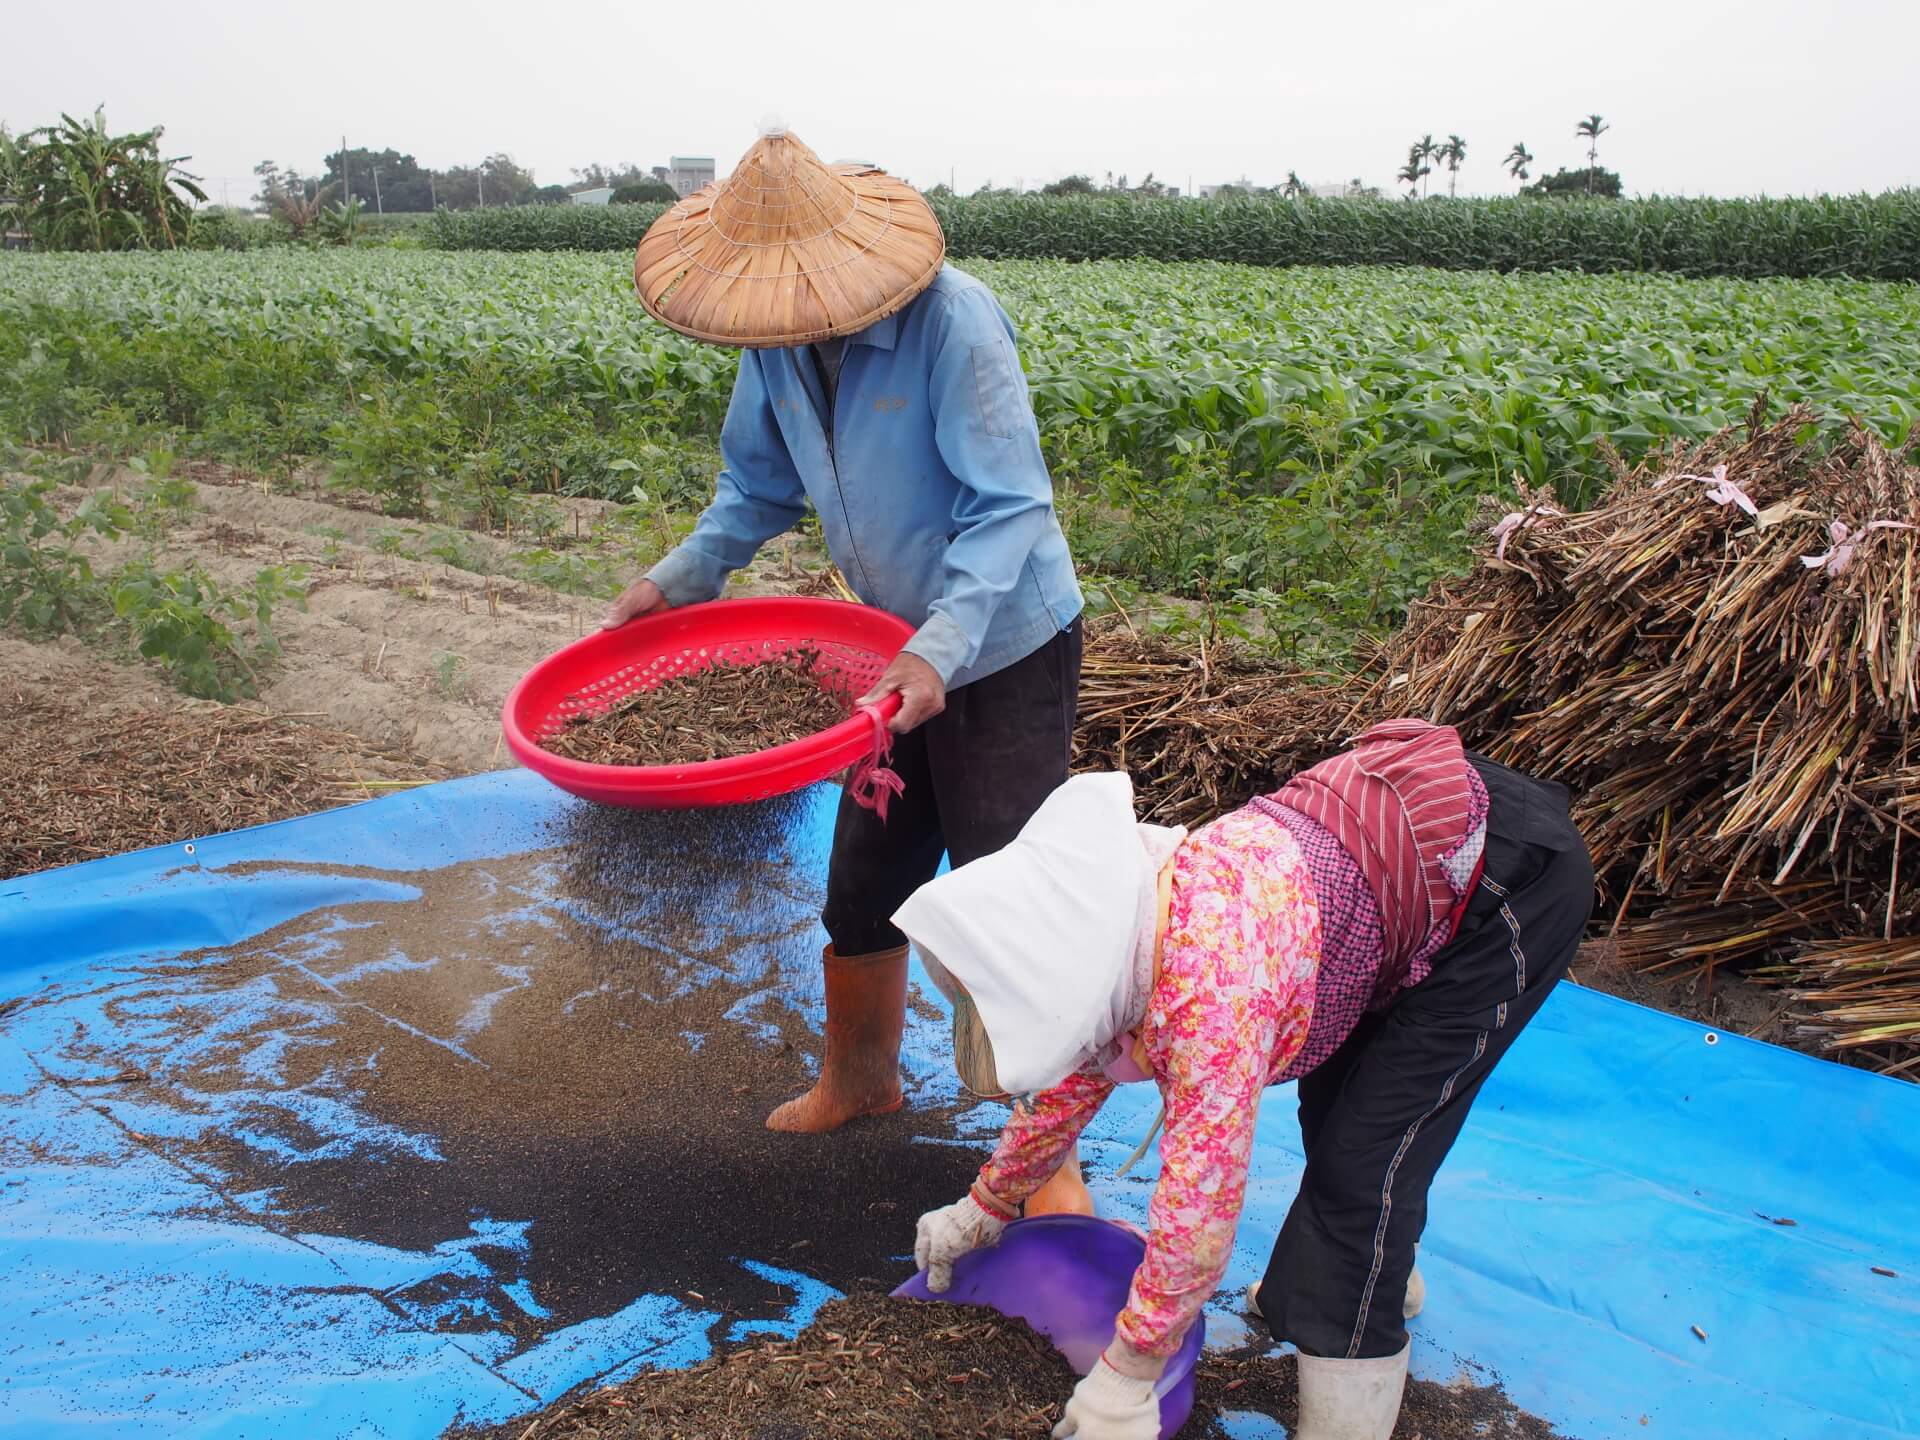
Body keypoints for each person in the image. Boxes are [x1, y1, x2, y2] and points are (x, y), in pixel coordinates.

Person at [605, 124, 1095, 1210]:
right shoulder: (777, 341)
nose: (794, 318)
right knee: (867, 874)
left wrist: (941, 650)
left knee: (1001, 894)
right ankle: (861, 1078)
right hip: (886, 652)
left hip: (1002, 646)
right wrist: (680, 577)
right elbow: (756, 486)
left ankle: (1046, 1157)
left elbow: (1009, 505)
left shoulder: (952, 322)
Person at [896, 721, 1594, 1440]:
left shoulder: (1208, 998)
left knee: (1364, 1167)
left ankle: (1350, 1363)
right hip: (1384, 868)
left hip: (1504, 880)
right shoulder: (1120, 922)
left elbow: (1199, 1211)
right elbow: (1068, 1089)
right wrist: (982, 1206)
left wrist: (1128, 1374)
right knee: (1338, 1110)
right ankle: (1367, 1276)